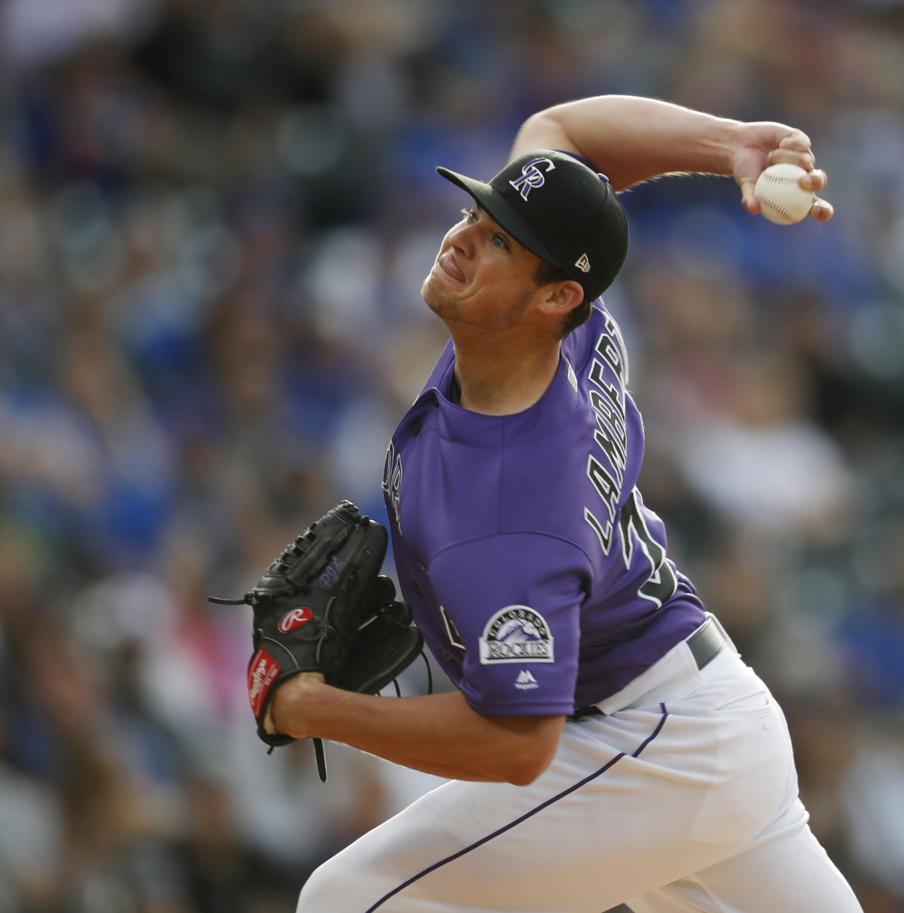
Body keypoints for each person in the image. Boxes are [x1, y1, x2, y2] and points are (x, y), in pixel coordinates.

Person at [268, 95, 862, 913]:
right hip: (706, 719)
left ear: (552, 297)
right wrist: (732, 145)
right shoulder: (568, 328)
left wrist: (313, 708)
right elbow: (565, 135)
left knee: (352, 900)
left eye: (500, 242)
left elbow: (518, 743)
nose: (463, 237)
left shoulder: (517, 507)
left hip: (649, 744)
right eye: (479, 212)